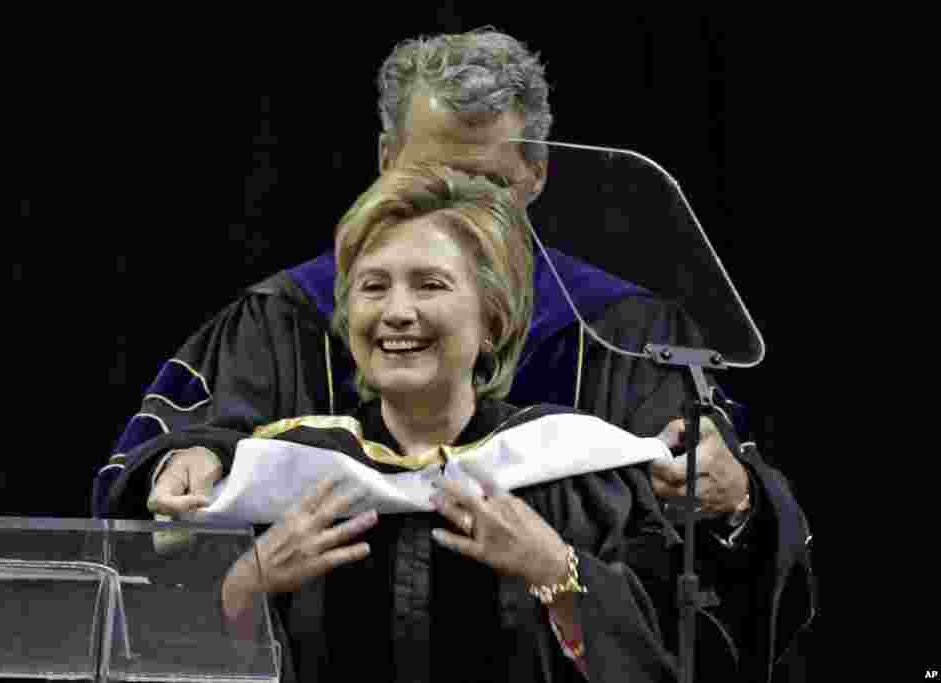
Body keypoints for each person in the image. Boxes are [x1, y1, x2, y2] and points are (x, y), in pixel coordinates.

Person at [95, 29, 813, 681]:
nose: (459, 211)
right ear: (385, 161)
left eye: (489, 187)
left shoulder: (622, 330)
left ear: (536, 173)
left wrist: (732, 496)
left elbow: (694, 604)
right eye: (430, 178)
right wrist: (188, 464)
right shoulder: (287, 315)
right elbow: (155, 538)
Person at [108, 165, 679, 681]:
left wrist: (557, 571)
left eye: (430, 285)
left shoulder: (575, 470)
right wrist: (246, 585)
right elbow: (154, 652)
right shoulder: (283, 471)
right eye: (373, 287)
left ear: (492, 321)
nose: (397, 312)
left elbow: (667, 660)